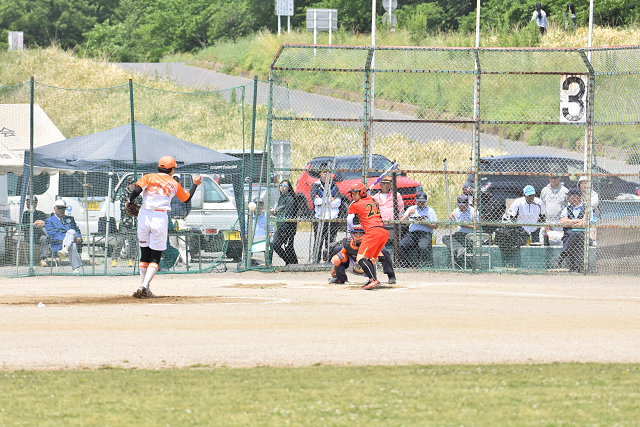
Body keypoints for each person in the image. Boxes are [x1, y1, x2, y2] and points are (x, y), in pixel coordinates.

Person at [128, 156, 201, 298]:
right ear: (172, 169)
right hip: (159, 218)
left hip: (143, 215)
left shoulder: (149, 177)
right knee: (155, 256)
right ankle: (144, 286)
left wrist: (129, 201)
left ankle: (144, 288)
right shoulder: (174, 183)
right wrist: (195, 184)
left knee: (144, 254)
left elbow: (137, 190)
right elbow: (186, 198)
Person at [329, 215, 396, 285]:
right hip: (360, 240)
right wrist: (334, 267)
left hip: (372, 237)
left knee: (383, 251)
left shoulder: (372, 214)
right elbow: (352, 231)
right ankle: (341, 277)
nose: (358, 235)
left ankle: (390, 275)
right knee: (338, 250)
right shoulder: (352, 217)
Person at [347, 182, 389, 290]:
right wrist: (362, 197)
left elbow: (350, 210)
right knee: (368, 257)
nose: (353, 196)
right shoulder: (373, 200)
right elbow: (367, 203)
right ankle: (373, 279)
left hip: (373, 231)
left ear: (362, 192)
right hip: (383, 231)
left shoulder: (356, 204)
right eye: (352, 194)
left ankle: (373, 280)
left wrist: (356, 200)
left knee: (360, 257)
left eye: (355, 193)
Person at [557, 187, 597, 272]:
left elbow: (585, 223)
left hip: (584, 237)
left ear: (575, 197)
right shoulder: (567, 208)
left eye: (569, 196)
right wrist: (578, 221)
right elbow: (562, 221)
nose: (567, 198)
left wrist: (570, 222)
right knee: (574, 236)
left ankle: (561, 257)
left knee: (575, 234)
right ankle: (576, 268)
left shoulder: (587, 207)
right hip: (568, 237)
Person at [310, 166, 341, 263]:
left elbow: (338, 202)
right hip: (320, 217)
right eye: (323, 172)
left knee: (331, 241)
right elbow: (315, 201)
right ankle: (316, 259)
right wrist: (329, 199)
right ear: (320, 173)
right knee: (318, 240)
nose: (325, 174)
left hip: (332, 217)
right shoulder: (316, 185)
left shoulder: (334, 186)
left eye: (328, 172)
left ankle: (328, 260)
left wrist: (323, 200)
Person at [398, 191, 438, 268]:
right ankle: (404, 265)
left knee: (423, 246)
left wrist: (424, 222)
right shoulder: (411, 208)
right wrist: (408, 215)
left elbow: (435, 226)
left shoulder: (430, 210)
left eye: (423, 202)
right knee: (401, 245)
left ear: (425, 202)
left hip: (425, 234)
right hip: (412, 234)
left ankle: (424, 266)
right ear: (415, 201)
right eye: (419, 202)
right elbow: (401, 221)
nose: (421, 204)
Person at [44, 199, 83, 273]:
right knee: (72, 241)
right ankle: (76, 268)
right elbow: (53, 234)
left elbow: (77, 230)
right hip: (58, 244)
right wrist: (69, 239)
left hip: (66, 246)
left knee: (72, 232)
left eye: (63, 208)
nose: (61, 210)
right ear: (54, 208)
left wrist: (79, 238)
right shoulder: (49, 221)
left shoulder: (70, 219)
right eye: (59, 208)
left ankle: (65, 249)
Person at [112, 178, 140, 267]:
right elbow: (124, 208)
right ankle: (114, 259)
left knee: (132, 242)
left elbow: (141, 206)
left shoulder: (138, 195)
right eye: (131, 184)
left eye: (134, 185)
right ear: (128, 185)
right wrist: (133, 208)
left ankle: (131, 259)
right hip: (125, 223)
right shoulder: (124, 195)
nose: (133, 186)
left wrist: (135, 208)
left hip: (134, 223)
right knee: (120, 241)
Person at [443, 195, 476, 265]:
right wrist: (450, 218)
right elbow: (446, 223)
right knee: (445, 238)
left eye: (463, 206)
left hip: (469, 235)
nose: (461, 208)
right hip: (459, 234)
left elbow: (478, 226)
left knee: (458, 242)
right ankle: (459, 249)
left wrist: (466, 225)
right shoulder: (456, 211)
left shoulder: (473, 211)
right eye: (459, 206)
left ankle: (459, 250)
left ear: (467, 204)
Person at [271, 179, 298, 265]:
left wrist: (284, 230)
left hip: (288, 228)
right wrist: (275, 212)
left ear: (289, 188)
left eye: (285, 186)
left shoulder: (290, 199)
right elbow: (282, 213)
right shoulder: (282, 197)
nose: (282, 187)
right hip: (281, 226)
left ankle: (293, 264)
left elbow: (289, 216)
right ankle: (290, 262)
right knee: (276, 245)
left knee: (288, 247)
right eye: (281, 185)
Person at [540, 168, 568, 245]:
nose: (553, 179)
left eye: (555, 178)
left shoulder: (564, 191)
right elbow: (541, 207)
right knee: (543, 242)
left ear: (559, 178)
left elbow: (568, 208)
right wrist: (544, 222)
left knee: (559, 243)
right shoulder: (545, 190)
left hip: (559, 222)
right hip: (547, 221)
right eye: (551, 177)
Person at [21, 196, 50, 267]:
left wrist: (42, 223)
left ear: (36, 203)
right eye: (27, 202)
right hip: (29, 235)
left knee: (43, 237)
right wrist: (33, 225)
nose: (28, 203)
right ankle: (49, 237)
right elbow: (23, 227)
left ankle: (43, 259)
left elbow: (46, 225)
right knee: (45, 236)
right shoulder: (25, 214)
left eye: (30, 202)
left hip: (39, 235)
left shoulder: (41, 214)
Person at [168, 174, 190, 266]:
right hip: (171, 220)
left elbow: (188, 207)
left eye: (178, 180)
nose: (176, 182)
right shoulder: (168, 193)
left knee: (183, 241)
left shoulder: (184, 192)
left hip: (181, 220)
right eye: (174, 180)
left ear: (181, 182)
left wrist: (183, 215)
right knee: (172, 241)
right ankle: (175, 260)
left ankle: (186, 261)